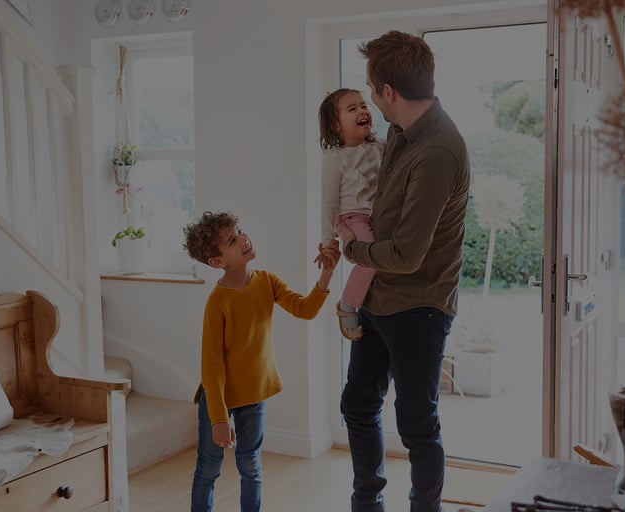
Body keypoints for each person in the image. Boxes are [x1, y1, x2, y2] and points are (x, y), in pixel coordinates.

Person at [336, 31, 471, 512]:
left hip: (418, 306)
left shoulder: (437, 151)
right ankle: (367, 505)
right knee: (357, 405)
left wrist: (352, 249)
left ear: (388, 91)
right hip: (378, 299)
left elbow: (408, 255)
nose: (371, 99)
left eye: (372, 89)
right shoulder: (398, 132)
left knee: (416, 425)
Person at [183, 211, 341, 512]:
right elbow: (212, 365)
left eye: (239, 231)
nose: (243, 238)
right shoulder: (218, 302)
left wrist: (327, 274)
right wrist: (218, 418)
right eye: (232, 240)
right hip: (218, 398)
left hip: (253, 394)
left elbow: (305, 309)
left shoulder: (267, 282)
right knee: (208, 469)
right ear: (217, 262)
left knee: (250, 466)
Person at [317, 88, 385, 341]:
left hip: (373, 214)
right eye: (352, 109)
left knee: (376, 255)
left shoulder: (378, 145)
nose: (362, 111)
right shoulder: (335, 158)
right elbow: (328, 202)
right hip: (350, 216)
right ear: (336, 125)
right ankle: (347, 304)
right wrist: (327, 241)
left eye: (363, 105)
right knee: (370, 255)